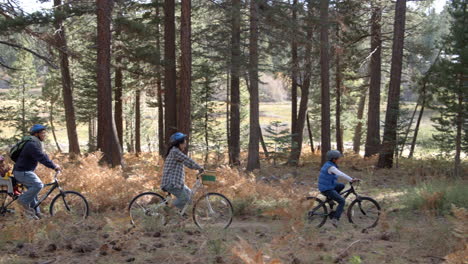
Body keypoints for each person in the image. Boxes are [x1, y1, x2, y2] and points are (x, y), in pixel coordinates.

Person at [13, 124, 61, 219]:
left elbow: (44, 155)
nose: (44, 135)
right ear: (36, 134)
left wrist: (54, 164)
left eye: (44, 133)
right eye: (42, 133)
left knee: (33, 193)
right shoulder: (31, 145)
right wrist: (54, 167)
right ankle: (21, 201)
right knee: (38, 185)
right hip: (22, 172)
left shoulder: (36, 143)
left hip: (25, 171)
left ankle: (36, 213)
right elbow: (41, 158)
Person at [161, 132, 204, 215]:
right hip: (171, 183)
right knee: (185, 199)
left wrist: (196, 168)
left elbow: (187, 163)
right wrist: (200, 167)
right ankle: (167, 209)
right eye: (184, 143)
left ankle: (180, 213)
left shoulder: (175, 152)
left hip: (177, 182)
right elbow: (188, 160)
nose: (185, 145)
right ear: (179, 143)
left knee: (189, 194)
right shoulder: (175, 152)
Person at [318, 150, 358, 227]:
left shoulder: (328, 164)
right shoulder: (331, 167)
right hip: (326, 188)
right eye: (338, 158)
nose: (339, 159)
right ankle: (335, 219)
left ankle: (330, 199)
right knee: (342, 201)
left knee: (341, 185)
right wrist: (351, 179)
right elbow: (341, 174)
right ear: (334, 159)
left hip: (328, 185)